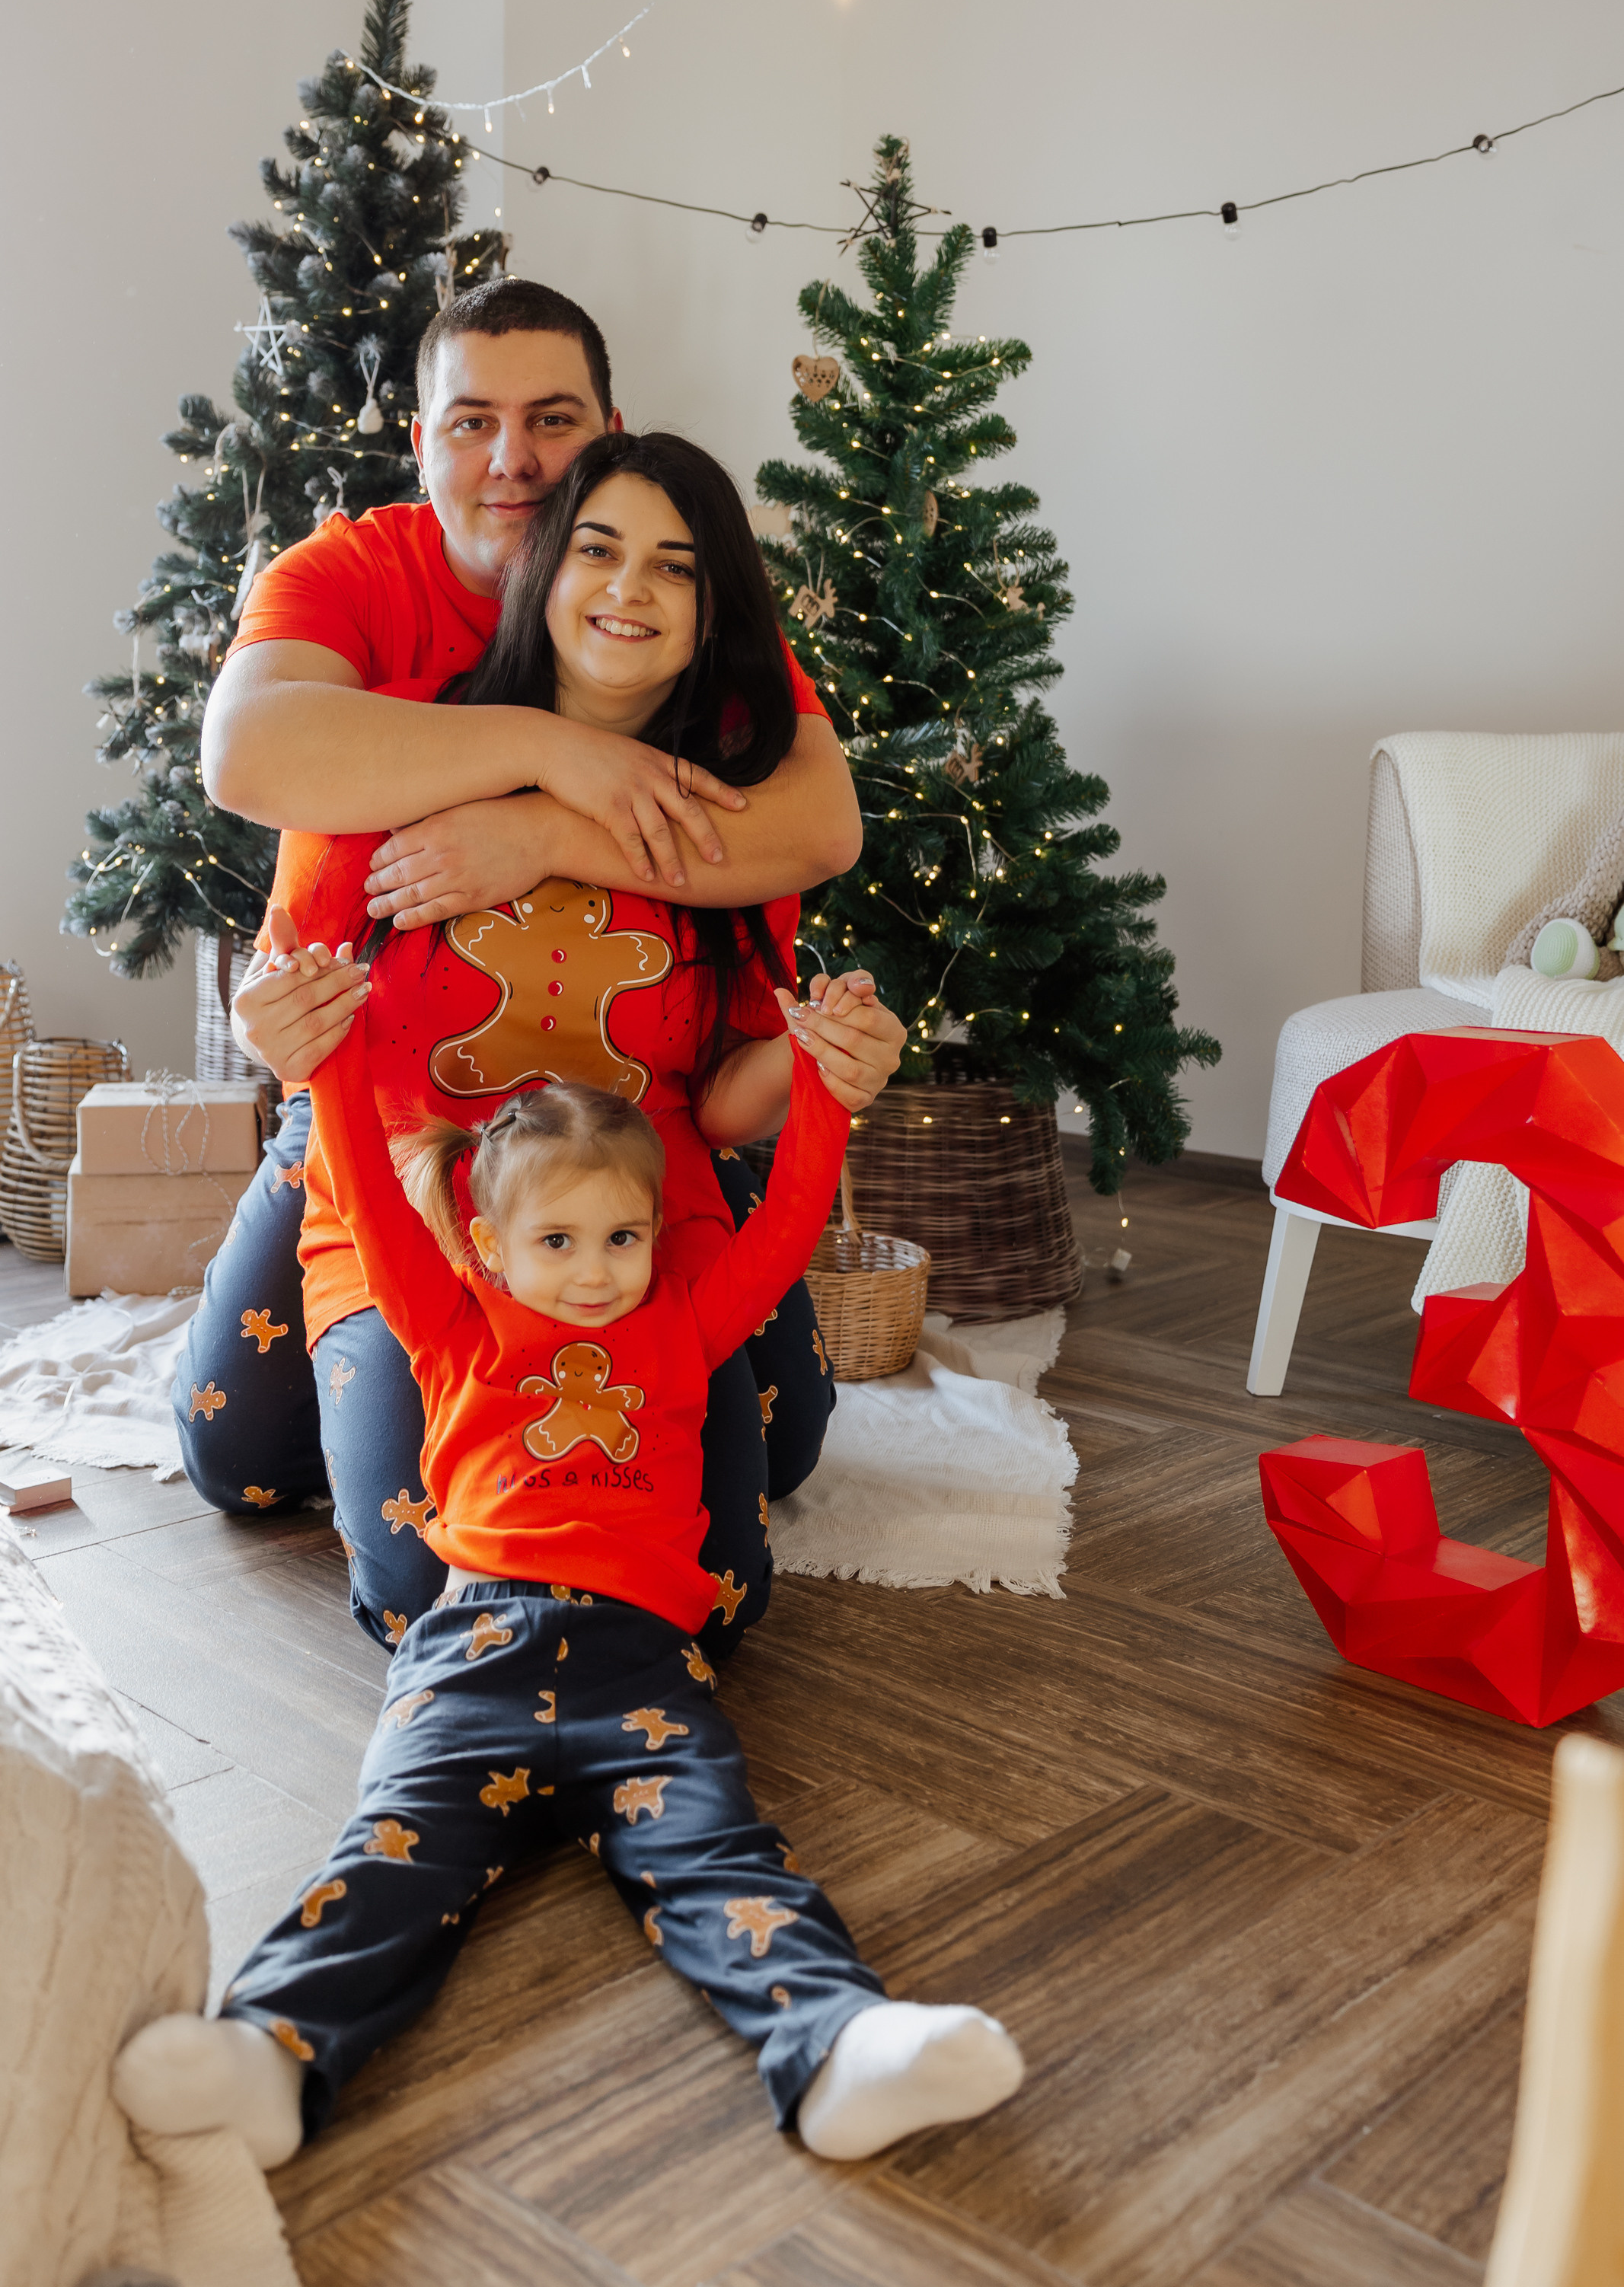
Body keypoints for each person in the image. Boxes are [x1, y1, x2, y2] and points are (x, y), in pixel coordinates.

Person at [114, 928, 1023, 2171]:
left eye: (621, 1239)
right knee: (388, 1857)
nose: (596, 1275)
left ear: (654, 1236)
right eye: (557, 1242)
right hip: (468, 1649)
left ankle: (834, 2043)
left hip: (639, 1669)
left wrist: (824, 1084)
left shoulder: (688, 1322)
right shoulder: (448, 1324)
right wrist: (323, 1070)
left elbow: (791, 1212)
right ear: (489, 1245)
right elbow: (374, 1204)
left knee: (718, 1857)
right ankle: (267, 2053)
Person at [177, 417, 896, 1651]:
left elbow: (725, 1102)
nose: (629, 591)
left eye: (675, 566)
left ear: (718, 609)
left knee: (715, 1593)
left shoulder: (726, 810)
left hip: (635, 1229)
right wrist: (274, 1023)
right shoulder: (392, 761)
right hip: (424, 1221)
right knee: (424, 1590)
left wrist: (822, 1059)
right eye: (599, 550)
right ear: (543, 568)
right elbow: (298, 991)